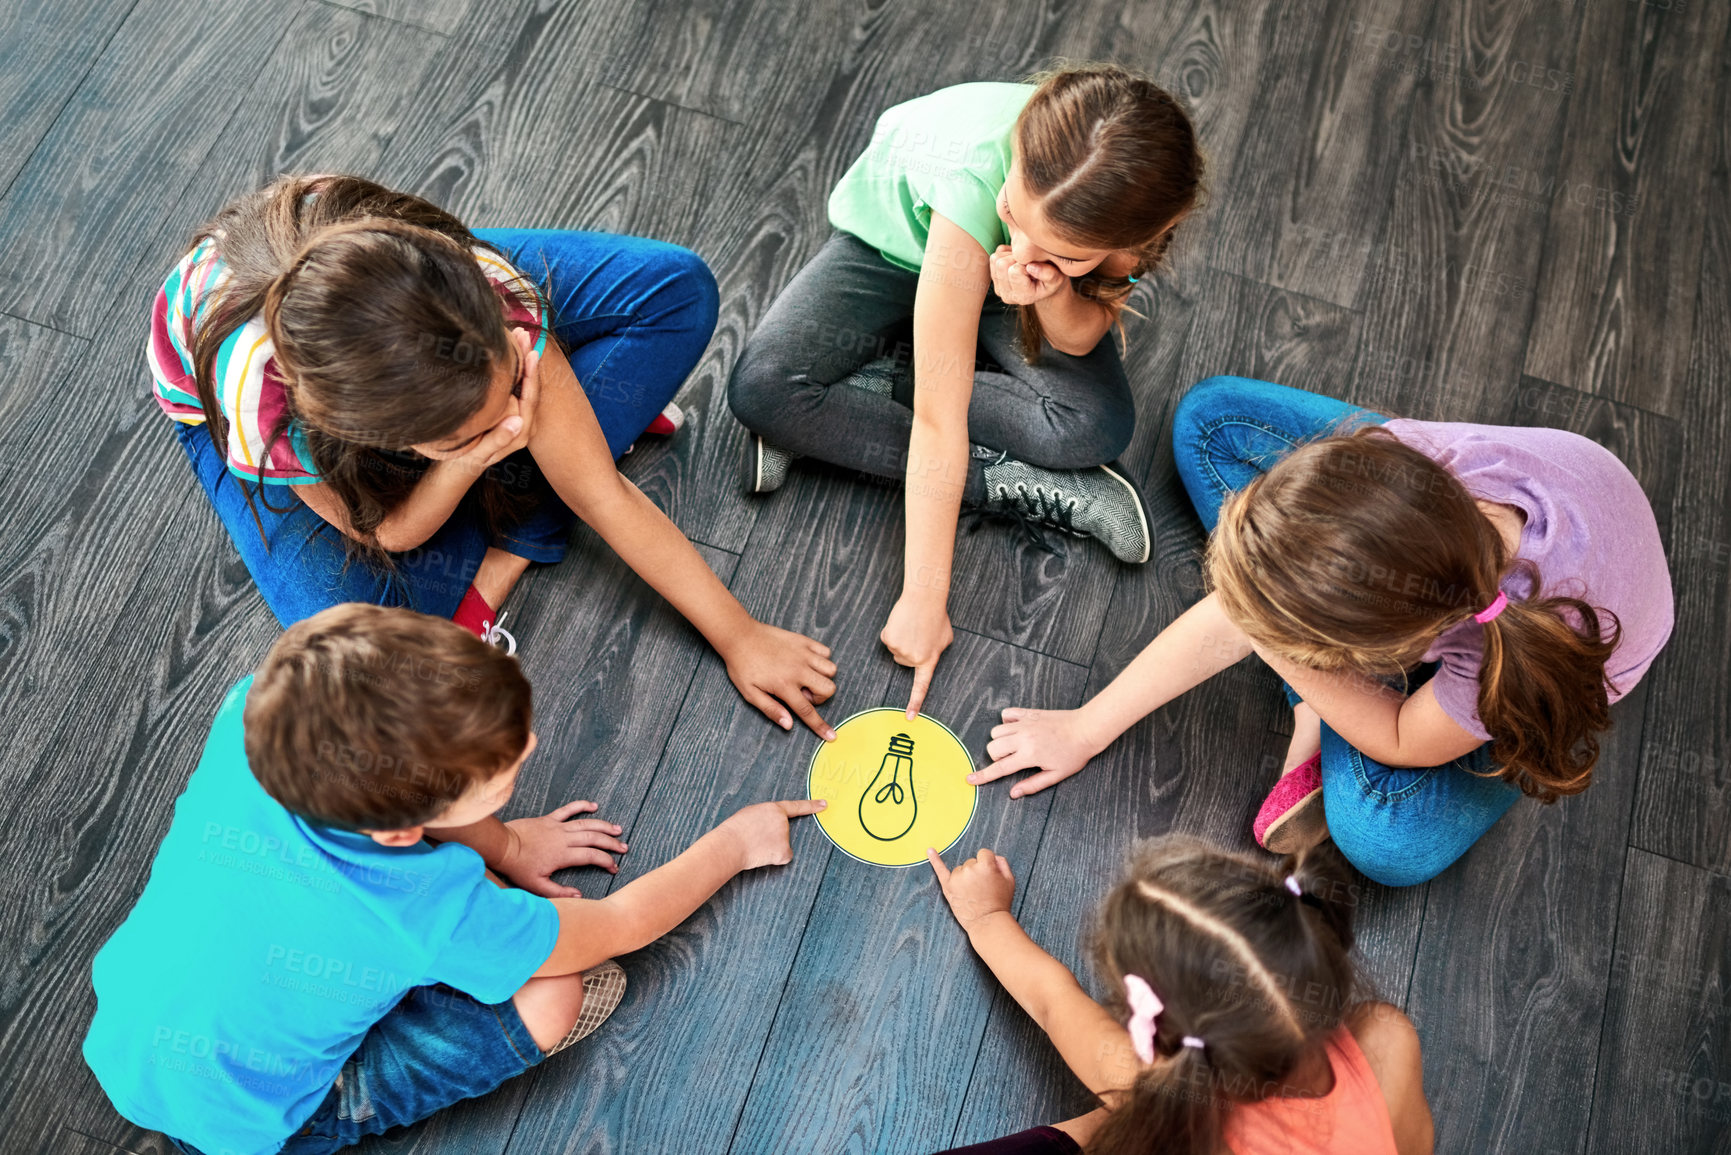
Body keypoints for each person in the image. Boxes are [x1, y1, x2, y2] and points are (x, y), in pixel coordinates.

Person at [81, 603, 826, 1155]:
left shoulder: (253, 710)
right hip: (266, 1120)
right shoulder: (432, 908)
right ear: (404, 833)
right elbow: (625, 925)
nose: (529, 744)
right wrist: (733, 842)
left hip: (124, 1037)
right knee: (563, 989)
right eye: (496, 784)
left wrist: (502, 841)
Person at [150, 173, 838, 737]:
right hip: (230, 402)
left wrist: (740, 634)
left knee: (676, 290)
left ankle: (537, 460)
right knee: (366, 651)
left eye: (512, 378)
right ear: (386, 445)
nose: (518, 416)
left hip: (399, 299)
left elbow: (602, 493)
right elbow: (384, 530)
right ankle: (531, 488)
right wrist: (475, 460)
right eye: (469, 433)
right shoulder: (262, 405)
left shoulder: (486, 292)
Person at [976, 377, 1675, 885]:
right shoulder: (1401, 453)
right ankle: (1308, 689)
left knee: (1383, 841)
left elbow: (1402, 741)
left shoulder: (1499, 654)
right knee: (1207, 420)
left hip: (1530, 670)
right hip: (1459, 539)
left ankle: (1310, 708)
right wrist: (1089, 725)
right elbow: (1249, 606)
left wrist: (1274, 640)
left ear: (1388, 653)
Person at [727, 64, 1203, 719]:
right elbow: (936, 419)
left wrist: (1047, 289)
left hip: (1008, 295)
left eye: (1064, 252)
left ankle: (858, 387)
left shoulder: (1113, 228)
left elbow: (1078, 337)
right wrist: (924, 596)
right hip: (904, 254)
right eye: (1014, 214)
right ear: (1013, 169)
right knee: (763, 389)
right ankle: (1008, 471)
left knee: (1094, 426)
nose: (1019, 246)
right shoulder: (977, 188)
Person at [927, 835, 1433, 1154]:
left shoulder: (1149, 1085)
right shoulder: (1387, 1036)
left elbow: (1052, 1000)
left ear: (1154, 1036)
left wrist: (986, 917)